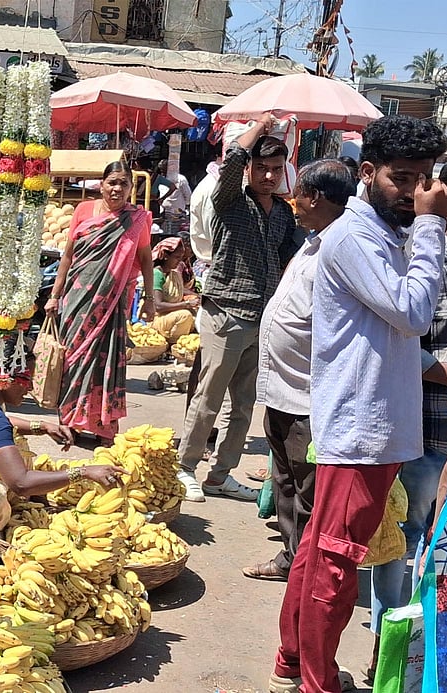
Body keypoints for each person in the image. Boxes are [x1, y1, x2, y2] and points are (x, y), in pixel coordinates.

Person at [271, 114, 447, 693]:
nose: (418, 191)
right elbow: (414, 311)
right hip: (361, 428)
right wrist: (430, 227)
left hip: (369, 424)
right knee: (336, 560)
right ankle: (317, 682)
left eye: (425, 178)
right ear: (368, 173)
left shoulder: (383, 232)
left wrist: (419, 226)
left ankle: (294, 659)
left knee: (319, 550)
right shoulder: (353, 237)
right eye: (404, 178)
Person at [241, 160, 357, 584]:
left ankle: (304, 568)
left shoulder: (339, 249)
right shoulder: (310, 242)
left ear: (316, 197)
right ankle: (291, 558)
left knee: (307, 491)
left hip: (309, 397)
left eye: (299, 194)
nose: (293, 201)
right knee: (286, 483)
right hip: (281, 392)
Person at [176, 114, 301, 503]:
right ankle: (185, 467)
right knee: (208, 398)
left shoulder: (282, 214)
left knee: (244, 406)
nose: (267, 176)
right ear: (250, 169)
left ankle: (220, 474)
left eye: (275, 170)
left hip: (260, 320)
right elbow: (231, 160)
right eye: (261, 168)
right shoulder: (229, 199)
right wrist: (261, 127)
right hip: (225, 313)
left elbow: (286, 262)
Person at [366, 158, 447, 678]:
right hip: (425, 428)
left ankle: (433, 661)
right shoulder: (417, 256)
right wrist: (445, 372)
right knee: (404, 536)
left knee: (444, 557)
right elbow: (394, 344)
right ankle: (389, 646)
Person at [0, 371, 123, 534]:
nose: (31, 387)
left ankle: (35, 506)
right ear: (3, 380)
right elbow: (21, 483)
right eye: (26, 380)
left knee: (18, 444)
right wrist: (84, 472)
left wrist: (41, 426)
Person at [43, 161, 154, 443]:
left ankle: (103, 424)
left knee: (107, 361)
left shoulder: (136, 219)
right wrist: (54, 296)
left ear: (131, 188)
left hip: (112, 301)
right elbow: (67, 256)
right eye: (112, 182)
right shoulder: (83, 210)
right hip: (77, 297)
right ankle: (71, 422)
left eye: (124, 184)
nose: (117, 189)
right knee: (72, 360)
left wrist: (150, 299)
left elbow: (145, 259)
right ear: (101, 185)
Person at [149, 236, 199, 342]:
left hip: (170, 315)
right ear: (166, 256)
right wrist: (186, 304)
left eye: (181, 258)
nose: (179, 261)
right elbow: (158, 306)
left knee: (196, 316)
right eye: (177, 257)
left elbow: (180, 290)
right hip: (157, 318)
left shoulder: (173, 275)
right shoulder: (157, 274)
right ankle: (173, 343)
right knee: (185, 315)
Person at [159, 160, 193, 234]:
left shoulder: (180, 179)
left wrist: (185, 205)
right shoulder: (161, 179)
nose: (162, 172)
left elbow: (188, 195)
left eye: (164, 169)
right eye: (161, 170)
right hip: (164, 213)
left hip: (177, 213)